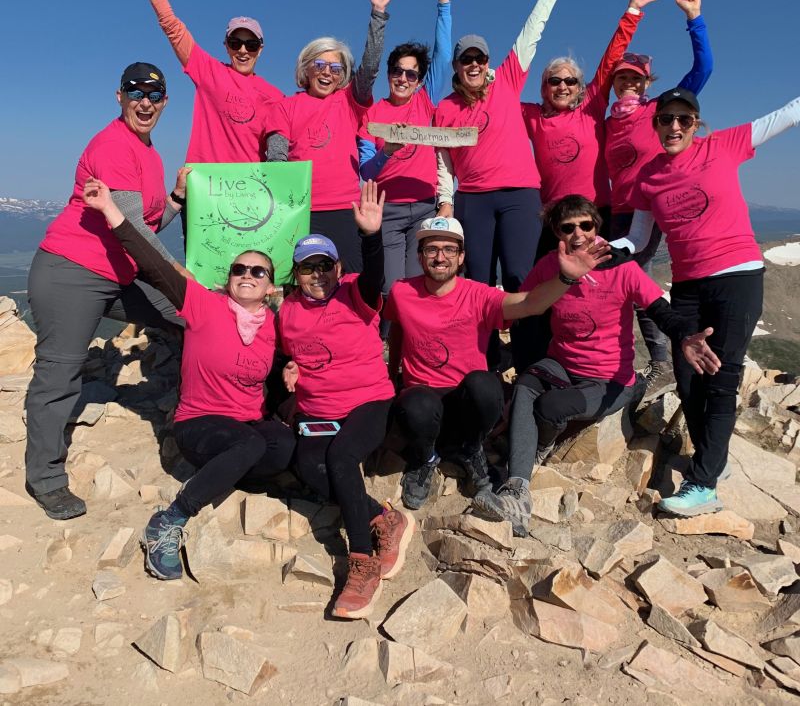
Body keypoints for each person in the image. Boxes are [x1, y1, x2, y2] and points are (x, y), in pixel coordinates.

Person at [82, 178, 296, 580]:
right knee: (251, 444)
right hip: (200, 424)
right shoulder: (203, 304)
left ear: (270, 286)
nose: (247, 274)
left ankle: (228, 475)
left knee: (284, 446)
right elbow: (154, 265)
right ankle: (171, 518)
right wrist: (111, 210)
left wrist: (293, 365)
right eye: (239, 269)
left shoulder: (273, 325)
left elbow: (304, 350)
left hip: (247, 422)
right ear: (229, 278)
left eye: (258, 271)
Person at [473, 195, 720, 537]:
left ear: (596, 226)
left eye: (585, 225)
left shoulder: (621, 267)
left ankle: (540, 445)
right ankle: (517, 492)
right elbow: (525, 307)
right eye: (568, 228)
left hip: (609, 379)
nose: (578, 234)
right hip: (562, 364)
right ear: (557, 233)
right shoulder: (550, 265)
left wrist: (683, 335)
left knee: (550, 406)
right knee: (527, 383)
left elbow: (659, 310)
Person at [612, 87, 800, 516]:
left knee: (721, 376)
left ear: (696, 123)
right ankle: (712, 458)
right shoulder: (648, 176)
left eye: (684, 118)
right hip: (688, 285)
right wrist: (610, 247)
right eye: (666, 119)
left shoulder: (723, 145)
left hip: (738, 277)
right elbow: (638, 237)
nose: (675, 126)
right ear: (656, 124)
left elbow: (787, 115)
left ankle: (704, 484)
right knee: (687, 374)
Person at [26, 64, 185, 520]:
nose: (145, 102)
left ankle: (200, 414)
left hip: (119, 274)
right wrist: (180, 276)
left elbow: (147, 223)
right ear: (120, 97)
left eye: (154, 95)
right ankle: (45, 479)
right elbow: (132, 228)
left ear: (165, 102)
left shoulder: (149, 152)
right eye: (135, 93)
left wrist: (175, 199)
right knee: (60, 374)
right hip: (71, 272)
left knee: (189, 317)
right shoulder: (113, 145)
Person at [385, 214, 613, 511]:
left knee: (485, 383)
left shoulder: (478, 295)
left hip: (466, 404)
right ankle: (426, 458)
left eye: (449, 249)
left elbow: (530, 303)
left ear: (461, 256)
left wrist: (566, 278)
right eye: (432, 249)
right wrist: (391, 375)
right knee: (416, 404)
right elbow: (398, 331)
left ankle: (472, 449)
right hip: (424, 403)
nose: (440, 257)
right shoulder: (402, 292)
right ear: (420, 256)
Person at [279, 182, 413, 619]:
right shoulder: (287, 310)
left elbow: (375, 276)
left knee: (340, 458)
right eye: (308, 268)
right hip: (319, 410)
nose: (317, 275)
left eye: (325, 266)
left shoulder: (355, 292)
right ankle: (385, 518)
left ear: (337, 268)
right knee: (308, 467)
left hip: (368, 402)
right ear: (296, 273)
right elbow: (283, 353)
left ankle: (362, 562)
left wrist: (371, 236)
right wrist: (287, 371)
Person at [433, 0, 570, 366]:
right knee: (476, 280)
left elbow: (531, 33)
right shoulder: (445, 107)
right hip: (473, 199)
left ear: (488, 63)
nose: (474, 65)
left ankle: (530, 363)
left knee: (519, 278)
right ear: (457, 66)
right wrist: (446, 202)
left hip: (519, 196)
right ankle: (484, 361)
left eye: (480, 59)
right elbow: (443, 163)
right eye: (466, 60)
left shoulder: (507, 81)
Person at [605, 0, 713, 388]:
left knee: (633, 281)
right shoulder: (608, 122)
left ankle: (659, 360)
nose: (628, 83)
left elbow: (704, 69)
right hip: (617, 212)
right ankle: (635, 359)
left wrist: (694, 19)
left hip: (647, 211)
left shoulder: (659, 112)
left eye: (636, 77)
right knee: (625, 282)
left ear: (646, 81)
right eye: (622, 77)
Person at [265, 0, 402, 273]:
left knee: (351, 281)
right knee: (303, 284)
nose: (327, 72)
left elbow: (369, 69)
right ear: (305, 68)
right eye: (320, 65)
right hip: (301, 211)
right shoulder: (285, 107)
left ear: (343, 76)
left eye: (336, 68)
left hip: (345, 208)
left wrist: (378, 16)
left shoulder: (349, 101)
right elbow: (276, 158)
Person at [115, 0, 284, 165]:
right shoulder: (208, 71)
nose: (243, 50)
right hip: (204, 184)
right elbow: (171, 25)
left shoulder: (275, 97)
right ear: (226, 46)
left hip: (249, 186)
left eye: (251, 44)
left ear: (261, 49)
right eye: (235, 43)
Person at [358, 0, 463, 332]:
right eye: (397, 72)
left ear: (420, 80)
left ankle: (415, 346)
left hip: (423, 207)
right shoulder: (372, 114)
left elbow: (443, 53)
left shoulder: (425, 101)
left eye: (411, 74)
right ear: (388, 74)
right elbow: (365, 170)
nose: (403, 79)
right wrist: (386, 153)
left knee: (420, 285)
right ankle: (388, 346)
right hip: (386, 210)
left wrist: (444, 0)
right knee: (390, 287)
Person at [522, 0, 661, 258]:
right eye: (554, 81)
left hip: (597, 212)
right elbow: (499, 102)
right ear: (544, 87)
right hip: (555, 216)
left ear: (580, 87)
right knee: (552, 278)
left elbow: (611, 58)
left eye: (570, 81)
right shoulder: (532, 115)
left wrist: (633, 11)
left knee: (601, 276)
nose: (563, 86)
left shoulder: (591, 105)